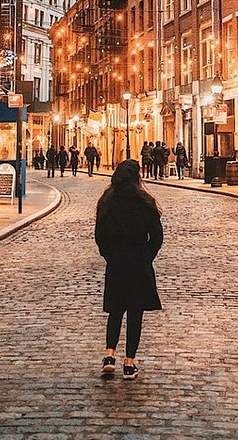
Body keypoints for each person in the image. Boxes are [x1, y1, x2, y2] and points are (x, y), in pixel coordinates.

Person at [94, 159, 163, 381]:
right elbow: (157, 237)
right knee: (135, 313)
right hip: (138, 261)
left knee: (115, 310)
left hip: (116, 262)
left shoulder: (107, 201)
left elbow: (99, 234)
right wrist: (147, 255)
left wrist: (108, 254)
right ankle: (129, 363)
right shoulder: (145, 202)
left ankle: (109, 355)